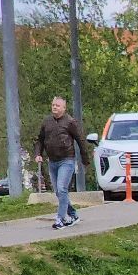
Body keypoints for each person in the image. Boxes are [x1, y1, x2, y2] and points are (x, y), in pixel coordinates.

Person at [35, 97, 90, 229]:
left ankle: (60, 219)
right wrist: (38, 154)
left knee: (62, 188)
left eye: (58, 106)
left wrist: (85, 159)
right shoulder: (47, 122)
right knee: (59, 192)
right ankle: (73, 214)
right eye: (53, 105)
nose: (55, 107)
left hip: (67, 160)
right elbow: (40, 140)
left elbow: (80, 140)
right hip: (52, 161)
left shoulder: (70, 122)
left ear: (64, 108)